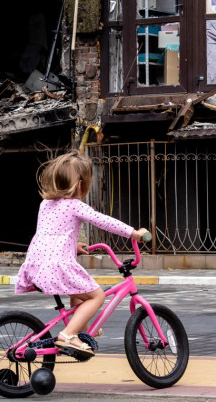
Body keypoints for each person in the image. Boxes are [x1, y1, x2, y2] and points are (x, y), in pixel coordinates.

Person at [15, 151, 148, 357]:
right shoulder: (75, 205)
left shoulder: (45, 205)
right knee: (97, 296)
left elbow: (51, 232)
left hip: (35, 263)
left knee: (78, 293)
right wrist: (133, 233)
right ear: (80, 185)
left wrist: (72, 244)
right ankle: (69, 334)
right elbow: (103, 220)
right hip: (57, 265)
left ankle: (81, 330)